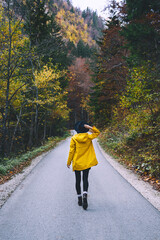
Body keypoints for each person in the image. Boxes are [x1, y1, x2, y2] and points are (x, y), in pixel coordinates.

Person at [67, 121, 100, 210]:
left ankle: (79, 198)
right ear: (84, 129)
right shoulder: (88, 137)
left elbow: (71, 151)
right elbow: (97, 133)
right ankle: (85, 194)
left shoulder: (74, 138)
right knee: (85, 179)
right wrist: (89, 127)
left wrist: (69, 162)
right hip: (86, 162)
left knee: (77, 180)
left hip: (77, 162)